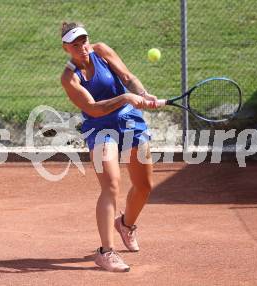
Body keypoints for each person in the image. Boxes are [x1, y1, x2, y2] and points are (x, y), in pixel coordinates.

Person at [60, 22, 158, 272]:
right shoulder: (69, 78)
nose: (82, 47)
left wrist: (143, 94)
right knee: (111, 184)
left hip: (130, 122)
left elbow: (128, 78)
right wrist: (126, 97)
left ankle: (125, 224)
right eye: (75, 44)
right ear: (66, 49)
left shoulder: (101, 50)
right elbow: (93, 108)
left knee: (145, 186)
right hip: (99, 129)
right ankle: (106, 252)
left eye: (84, 41)